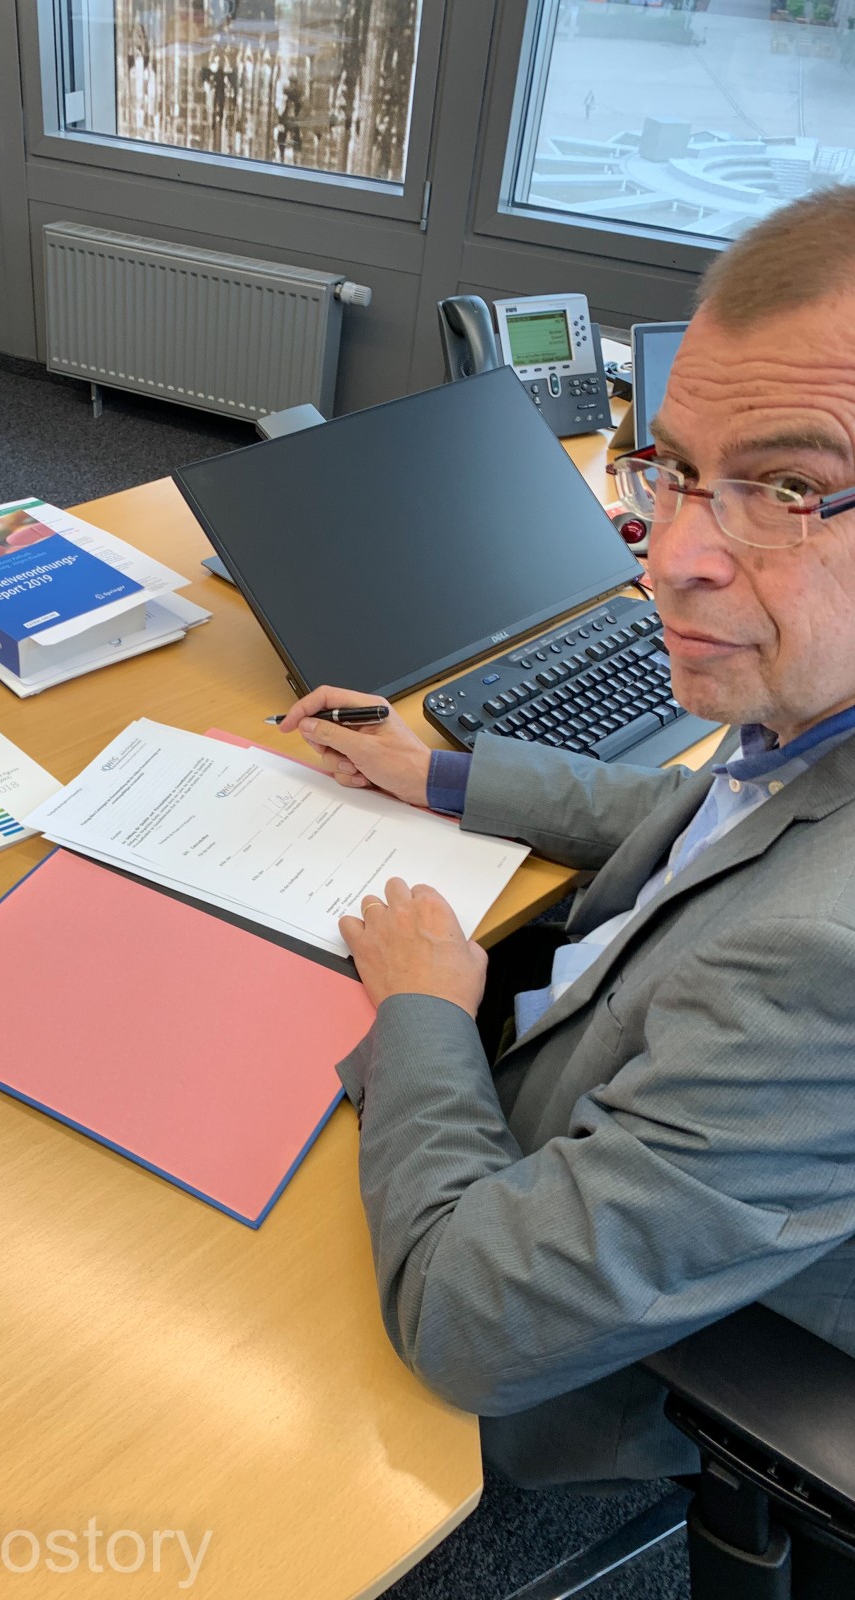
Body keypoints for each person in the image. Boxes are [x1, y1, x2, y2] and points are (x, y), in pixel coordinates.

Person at [277, 184, 855, 1489]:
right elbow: (717, 820)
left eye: (787, 486)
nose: (670, 559)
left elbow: (468, 1323)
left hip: (587, 1339)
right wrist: (440, 773)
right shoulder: (819, 708)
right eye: (676, 473)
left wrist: (427, 1013)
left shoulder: (829, 962)